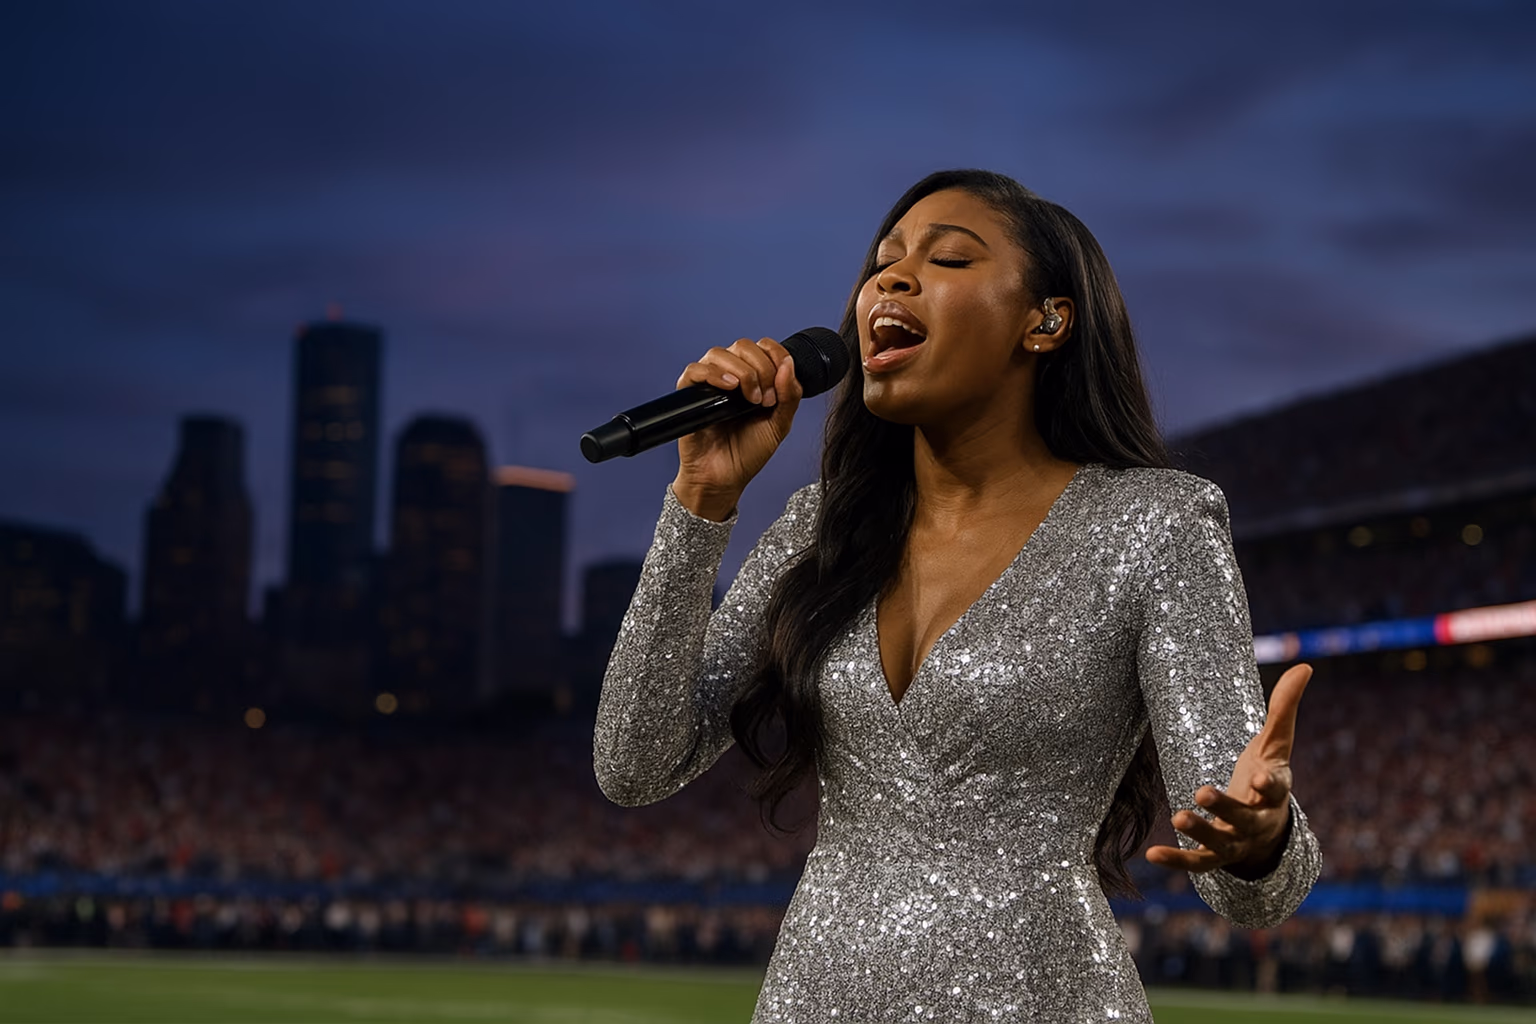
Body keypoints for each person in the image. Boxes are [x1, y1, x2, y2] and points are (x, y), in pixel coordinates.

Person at [593, 168, 1321, 1022]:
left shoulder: (1154, 522)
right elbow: (633, 764)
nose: (889, 279)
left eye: (945, 259)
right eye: (883, 262)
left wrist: (1261, 839)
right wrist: (702, 505)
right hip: (813, 1001)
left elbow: (1248, 888)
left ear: (1044, 321)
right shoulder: (823, 527)